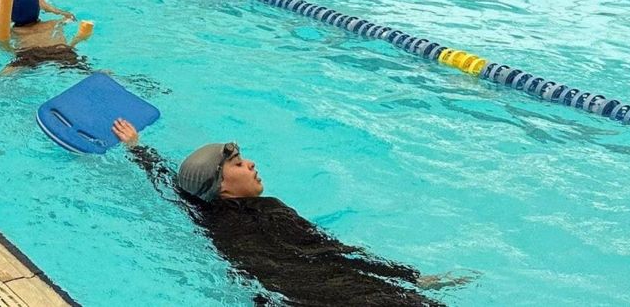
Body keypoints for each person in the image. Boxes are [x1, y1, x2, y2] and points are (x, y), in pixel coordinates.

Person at [111, 121, 453, 306]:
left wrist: (137, 148)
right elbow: (327, 248)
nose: (250, 164)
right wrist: (408, 277)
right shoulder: (269, 209)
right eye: (238, 164)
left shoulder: (204, 212)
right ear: (222, 187)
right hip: (337, 290)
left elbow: (168, 183)